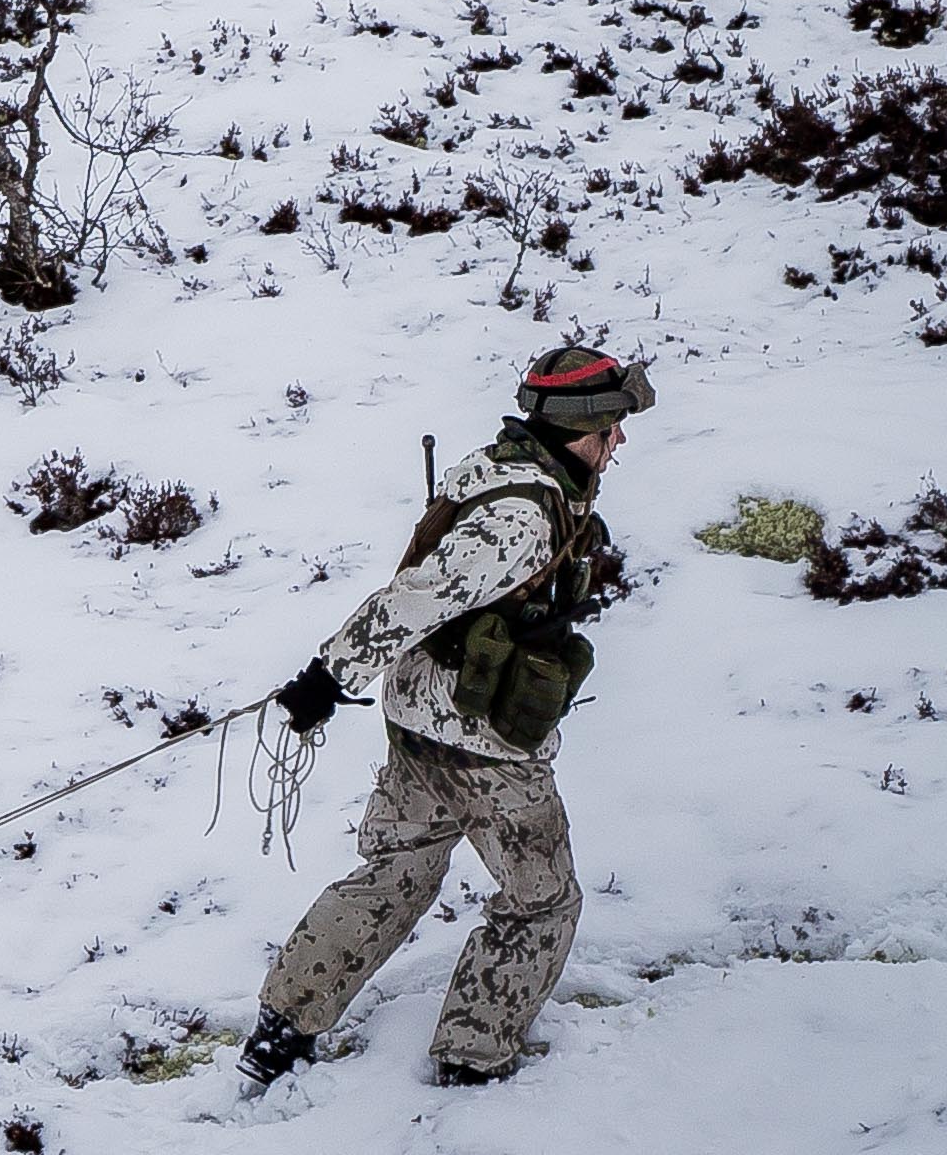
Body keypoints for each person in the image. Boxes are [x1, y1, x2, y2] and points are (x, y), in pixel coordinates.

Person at [236, 342, 653, 1097]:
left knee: (396, 870)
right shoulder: (522, 517)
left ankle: (283, 1028)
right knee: (542, 898)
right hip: (481, 742)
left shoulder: (502, 469)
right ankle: (473, 1054)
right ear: (576, 428)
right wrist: (327, 678)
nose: (619, 440)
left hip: (420, 722)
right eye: (611, 427)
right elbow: (415, 600)